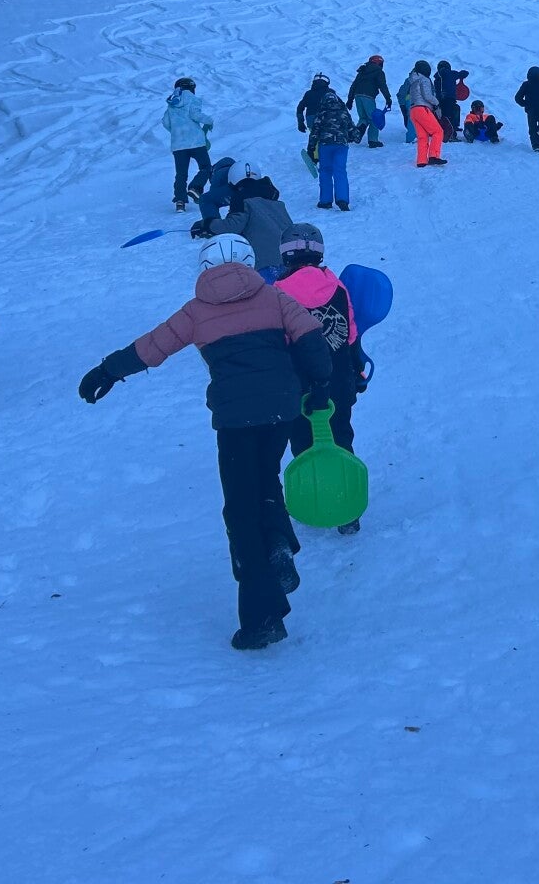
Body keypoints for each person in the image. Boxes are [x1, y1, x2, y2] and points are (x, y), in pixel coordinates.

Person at [78, 234, 332, 651]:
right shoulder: (275, 298)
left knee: (240, 510)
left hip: (235, 417)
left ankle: (262, 620)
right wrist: (319, 384)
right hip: (280, 409)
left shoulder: (196, 311)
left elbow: (152, 346)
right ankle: (279, 544)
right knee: (266, 480)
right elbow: (311, 340)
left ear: (204, 267)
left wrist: (108, 371)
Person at [272, 223, 370, 534]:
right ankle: (347, 508)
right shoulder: (338, 288)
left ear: (285, 255)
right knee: (340, 437)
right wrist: (356, 369)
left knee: (303, 443)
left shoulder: (277, 294)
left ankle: (314, 499)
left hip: (298, 389)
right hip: (337, 384)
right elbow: (350, 334)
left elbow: (277, 344)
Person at [218, 163, 295, 265]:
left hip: (265, 262)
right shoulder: (274, 200)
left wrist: (208, 224)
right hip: (290, 259)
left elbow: (232, 226)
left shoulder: (241, 198)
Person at [306, 83, 364, 211]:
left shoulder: (321, 113)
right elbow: (352, 129)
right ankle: (343, 199)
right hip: (341, 145)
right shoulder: (343, 112)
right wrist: (357, 135)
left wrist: (311, 148)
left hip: (325, 146)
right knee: (340, 171)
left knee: (325, 171)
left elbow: (314, 132)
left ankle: (325, 201)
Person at [163, 77, 213, 212]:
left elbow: (166, 122)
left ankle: (180, 202)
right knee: (206, 167)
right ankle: (195, 188)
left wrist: (176, 132)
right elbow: (195, 115)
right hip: (196, 142)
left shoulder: (172, 102)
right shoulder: (192, 99)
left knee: (181, 174)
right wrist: (209, 120)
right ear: (191, 87)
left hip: (178, 145)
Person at [186, 154, 238, 238]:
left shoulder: (217, 173)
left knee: (206, 199)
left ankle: (212, 228)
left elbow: (213, 196)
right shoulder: (235, 170)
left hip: (232, 192)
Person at [406, 60, 446, 168]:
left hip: (413, 110)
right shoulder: (424, 79)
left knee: (422, 136)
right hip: (422, 109)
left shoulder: (413, 81)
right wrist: (437, 103)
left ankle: (421, 160)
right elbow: (427, 96)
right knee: (438, 131)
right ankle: (434, 156)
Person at [347, 55, 392, 149]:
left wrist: (350, 99)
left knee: (363, 117)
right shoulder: (379, 72)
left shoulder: (362, 71)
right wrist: (388, 98)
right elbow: (382, 85)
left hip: (357, 96)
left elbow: (354, 85)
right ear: (379, 63)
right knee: (373, 118)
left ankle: (355, 135)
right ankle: (373, 140)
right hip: (368, 96)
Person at [294, 73, 333, 172]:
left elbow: (300, 108)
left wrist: (300, 122)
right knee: (325, 137)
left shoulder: (308, 93)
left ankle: (313, 156)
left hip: (311, 118)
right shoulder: (330, 92)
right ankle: (321, 156)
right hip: (325, 118)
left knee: (314, 136)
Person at [514, 67, 539, 151]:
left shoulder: (526, 84)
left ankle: (536, 146)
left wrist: (525, 104)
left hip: (532, 110)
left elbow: (517, 98)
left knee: (533, 129)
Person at [434, 60, 467, 142]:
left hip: (440, 100)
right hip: (449, 99)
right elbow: (464, 74)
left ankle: (451, 128)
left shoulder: (437, 77)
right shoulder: (451, 73)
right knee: (451, 114)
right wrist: (463, 74)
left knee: (446, 114)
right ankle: (451, 134)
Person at [396, 70, 416, 145]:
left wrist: (402, 105)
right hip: (423, 101)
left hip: (410, 100)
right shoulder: (426, 79)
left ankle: (411, 138)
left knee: (411, 118)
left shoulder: (409, 80)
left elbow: (401, 93)